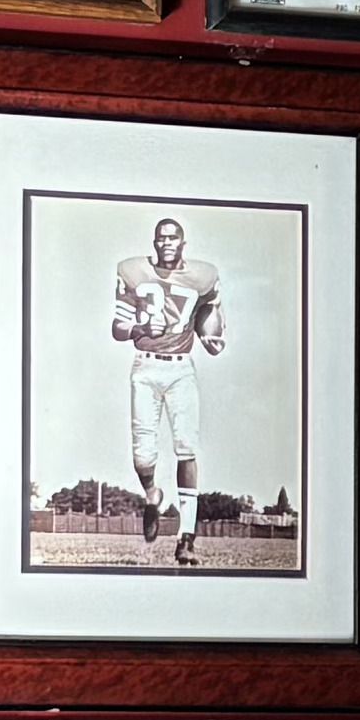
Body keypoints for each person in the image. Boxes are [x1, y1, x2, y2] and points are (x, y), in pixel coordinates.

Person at [107, 213, 226, 563]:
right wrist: (141, 328)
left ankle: (186, 537)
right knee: (143, 455)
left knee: (186, 448)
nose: (167, 243)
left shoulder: (203, 276)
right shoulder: (132, 271)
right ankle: (152, 495)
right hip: (144, 366)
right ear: (154, 242)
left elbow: (211, 308)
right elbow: (117, 327)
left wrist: (212, 333)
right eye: (161, 238)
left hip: (181, 370)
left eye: (173, 237)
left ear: (182, 243)